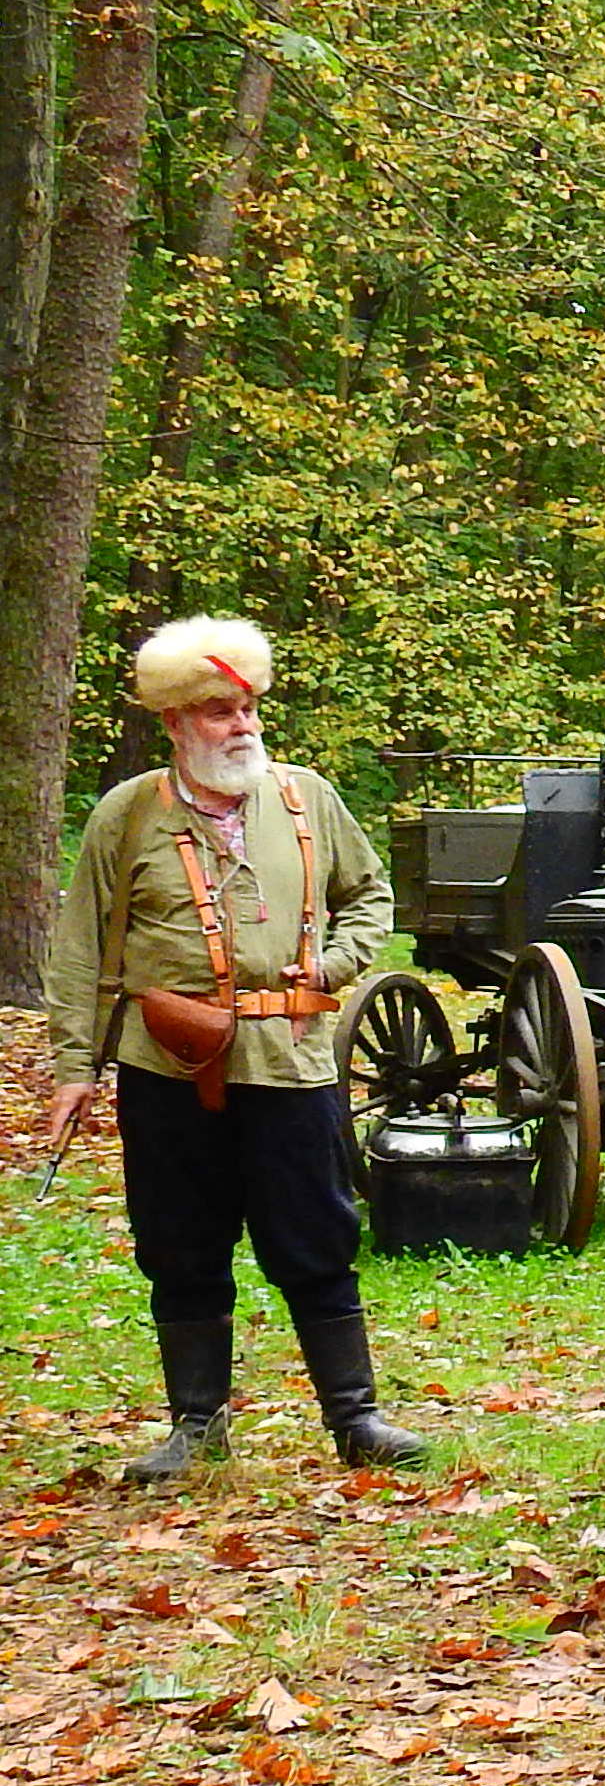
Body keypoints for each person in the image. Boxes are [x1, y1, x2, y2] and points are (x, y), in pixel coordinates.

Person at [45, 616, 426, 1476]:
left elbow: (370, 897)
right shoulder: (127, 813)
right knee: (179, 1241)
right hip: (166, 1068)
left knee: (315, 1237)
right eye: (219, 712)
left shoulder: (307, 799)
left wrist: (330, 964)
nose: (242, 726)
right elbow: (79, 950)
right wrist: (75, 1066)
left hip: (289, 1060)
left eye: (249, 708)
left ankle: (356, 1420)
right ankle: (196, 1426)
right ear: (177, 724)